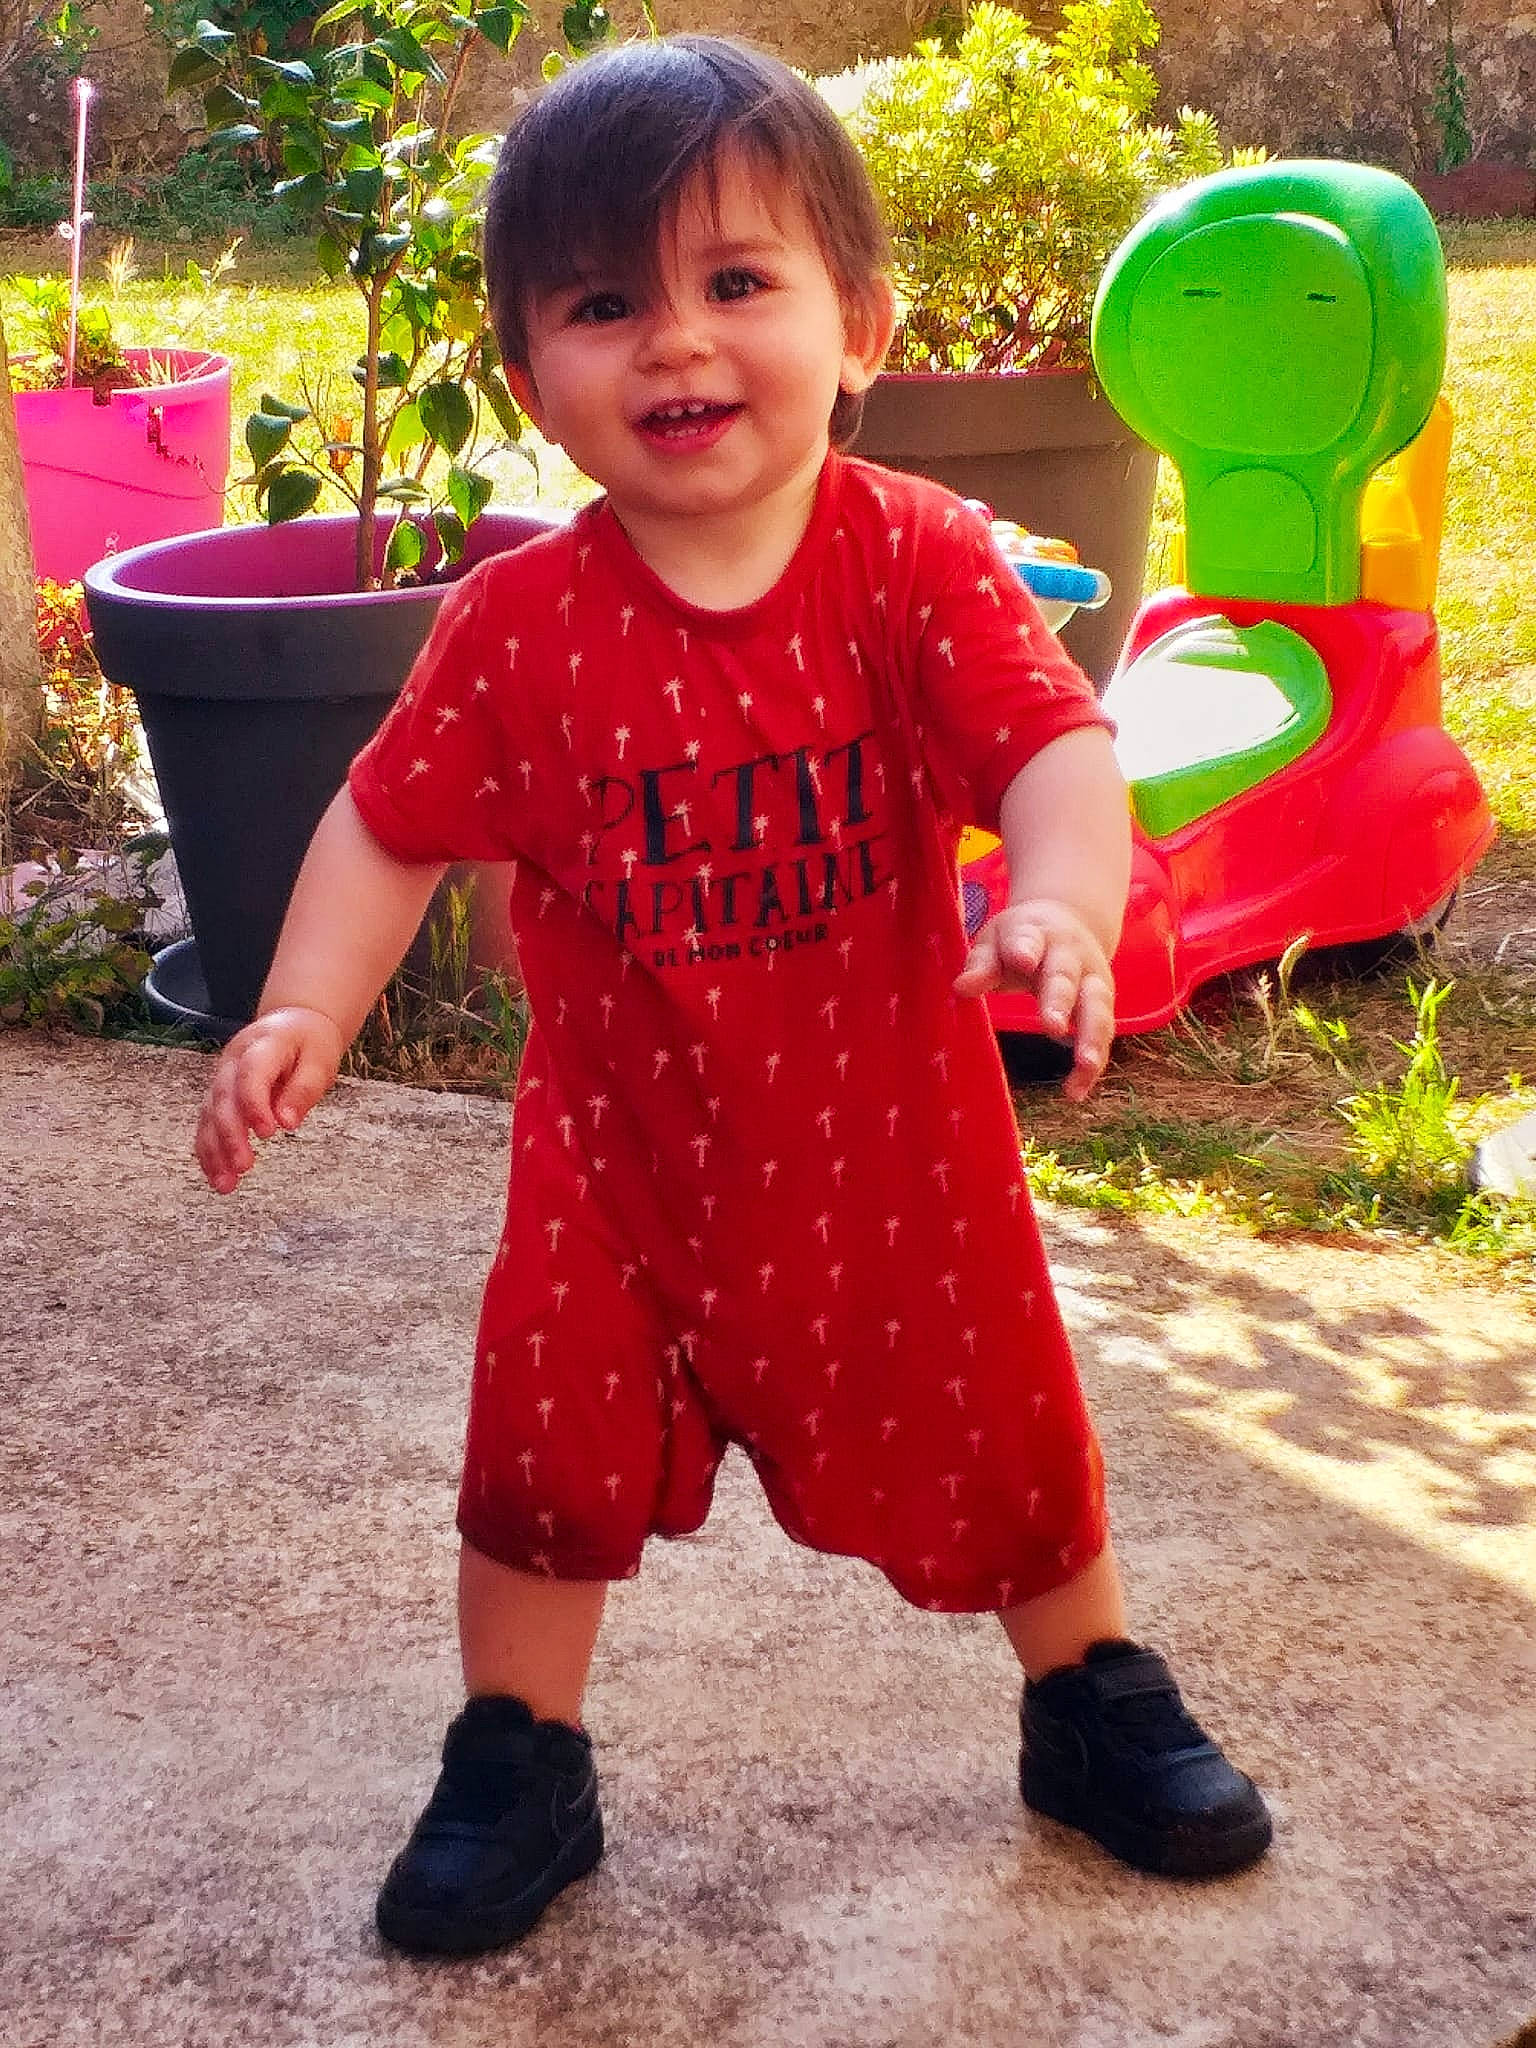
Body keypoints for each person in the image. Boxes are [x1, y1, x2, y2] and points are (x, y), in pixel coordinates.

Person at [193, 33, 1272, 1959]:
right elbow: (387, 822)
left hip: (899, 1153)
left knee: (1010, 1426)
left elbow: (1055, 751)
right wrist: (306, 1010)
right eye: (608, 303)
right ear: (534, 376)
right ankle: (520, 1748)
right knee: (541, 1457)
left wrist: (1057, 903)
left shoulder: (919, 561)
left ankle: (1088, 1695)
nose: (676, 343)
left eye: (735, 283)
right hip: (619, 1169)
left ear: (858, 322)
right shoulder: (519, 629)